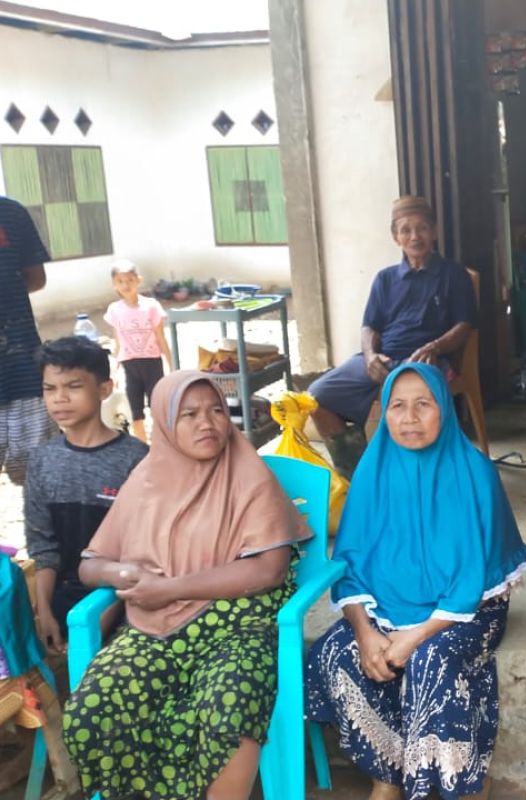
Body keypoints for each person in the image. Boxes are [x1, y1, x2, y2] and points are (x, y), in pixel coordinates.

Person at [63, 371, 309, 800]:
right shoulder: (145, 481)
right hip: (151, 628)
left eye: (216, 410)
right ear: (163, 422)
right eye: (189, 414)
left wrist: (171, 588)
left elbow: (268, 570)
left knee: (228, 708)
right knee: (92, 709)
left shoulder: (247, 473)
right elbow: (90, 565)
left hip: (239, 628)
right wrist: (120, 574)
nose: (207, 423)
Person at [305, 363, 526, 800]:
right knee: (336, 653)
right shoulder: (372, 474)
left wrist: (411, 639)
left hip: (467, 611)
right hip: (387, 607)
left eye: (423, 405)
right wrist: (365, 632)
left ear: (444, 411)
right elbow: (348, 563)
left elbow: (470, 583)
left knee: (431, 662)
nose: (409, 418)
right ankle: (388, 775)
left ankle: (458, 786)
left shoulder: (473, 474)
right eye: (398, 406)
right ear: (384, 414)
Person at [309, 196, 477, 476]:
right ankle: (361, 475)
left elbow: (464, 325)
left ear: (434, 232)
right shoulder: (385, 279)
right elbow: (369, 326)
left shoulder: (453, 274)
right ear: (395, 237)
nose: (415, 237)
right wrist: (370, 355)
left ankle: (428, 474)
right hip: (383, 358)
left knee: (416, 402)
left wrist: (435, 346)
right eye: (406, 230)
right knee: (317, 396)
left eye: (422, 228)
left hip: (426, 360)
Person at [25, 337, 148, 655]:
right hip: (64, 600)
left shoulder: (136, 460)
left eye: (73, 386)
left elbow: (144, 554)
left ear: (105, 389)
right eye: (50, 389)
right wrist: (45, 614)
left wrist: (95, 624)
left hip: (126, 601)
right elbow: (44, 549)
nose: (59, 399)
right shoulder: (42, 461)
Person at [0, 195, 56, 486]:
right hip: (20, 364)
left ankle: (42, 532)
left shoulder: (10, 212)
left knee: (34, 474)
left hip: (21, 369)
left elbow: (36, 278)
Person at [103, 258, 172, 442]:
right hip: (129, 365)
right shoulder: (114, 310)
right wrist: (115, 372)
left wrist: (172, 365)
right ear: (114, 284)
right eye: (120, 281)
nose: (126, 285)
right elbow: (118, 341)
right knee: (135, 411)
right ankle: (142, 448)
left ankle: (161, 445)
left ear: (138, 280)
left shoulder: (151, 306)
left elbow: (160, 337)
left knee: (158, 408)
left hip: (152, 362)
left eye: (130, 280)